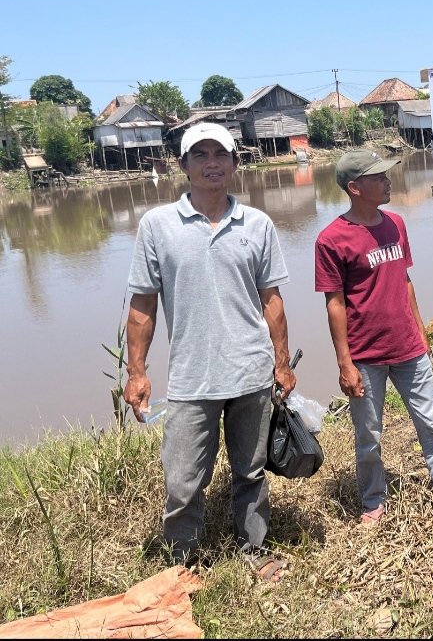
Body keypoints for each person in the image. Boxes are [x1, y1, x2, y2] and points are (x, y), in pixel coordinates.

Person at [124, 122, 295, 579]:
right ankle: (183, 563)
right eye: (199, 154)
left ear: (236, 163)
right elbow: (142, 305)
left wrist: (282, 362)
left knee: (252, 472)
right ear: (182, 166)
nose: (211, 163)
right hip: (190, 377)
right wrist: (136, 372)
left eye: (220, 154)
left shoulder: (257, 224)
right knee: (182, 482)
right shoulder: (157, 226)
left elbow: (271, 300)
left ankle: (253, 550)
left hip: (251, 373)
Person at [315, 149, 433, 538]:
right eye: (379, 177)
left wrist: (421, 331)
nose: (389, 181)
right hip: (366, 356)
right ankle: (373, 499)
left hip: (409, 349)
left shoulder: (396, 224)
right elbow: (335, 303)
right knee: (369, 435)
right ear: (355, 188)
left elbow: (405, 280)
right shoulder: (331, 240)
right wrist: (345, 363)